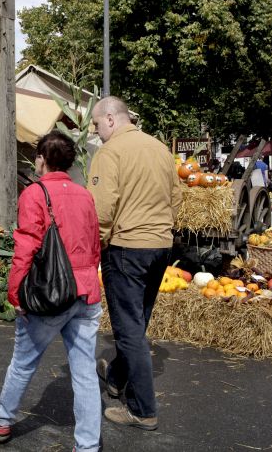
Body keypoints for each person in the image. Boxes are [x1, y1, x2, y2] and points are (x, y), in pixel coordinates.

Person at [0, 131, 102, 451]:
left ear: (42, 159)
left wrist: (15, 294)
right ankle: (88, 446)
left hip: (50, 293)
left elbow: (26, 248)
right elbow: (94, 245)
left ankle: (2, 420)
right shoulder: (85, 195)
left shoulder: (34, 193)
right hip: (86, 292)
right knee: (86, 373)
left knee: (23, 363)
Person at [87, 96, 181, 431]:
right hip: (160, 245)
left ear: (111, 119)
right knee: (137, 321)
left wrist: (97, 245)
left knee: (128, 329)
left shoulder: (109, 152)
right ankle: (116, 377)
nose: (95, 132)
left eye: (96, 124)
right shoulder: (159, 148)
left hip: (127, 247)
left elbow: (101, 209)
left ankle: (143, 410)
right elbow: (176, 198)